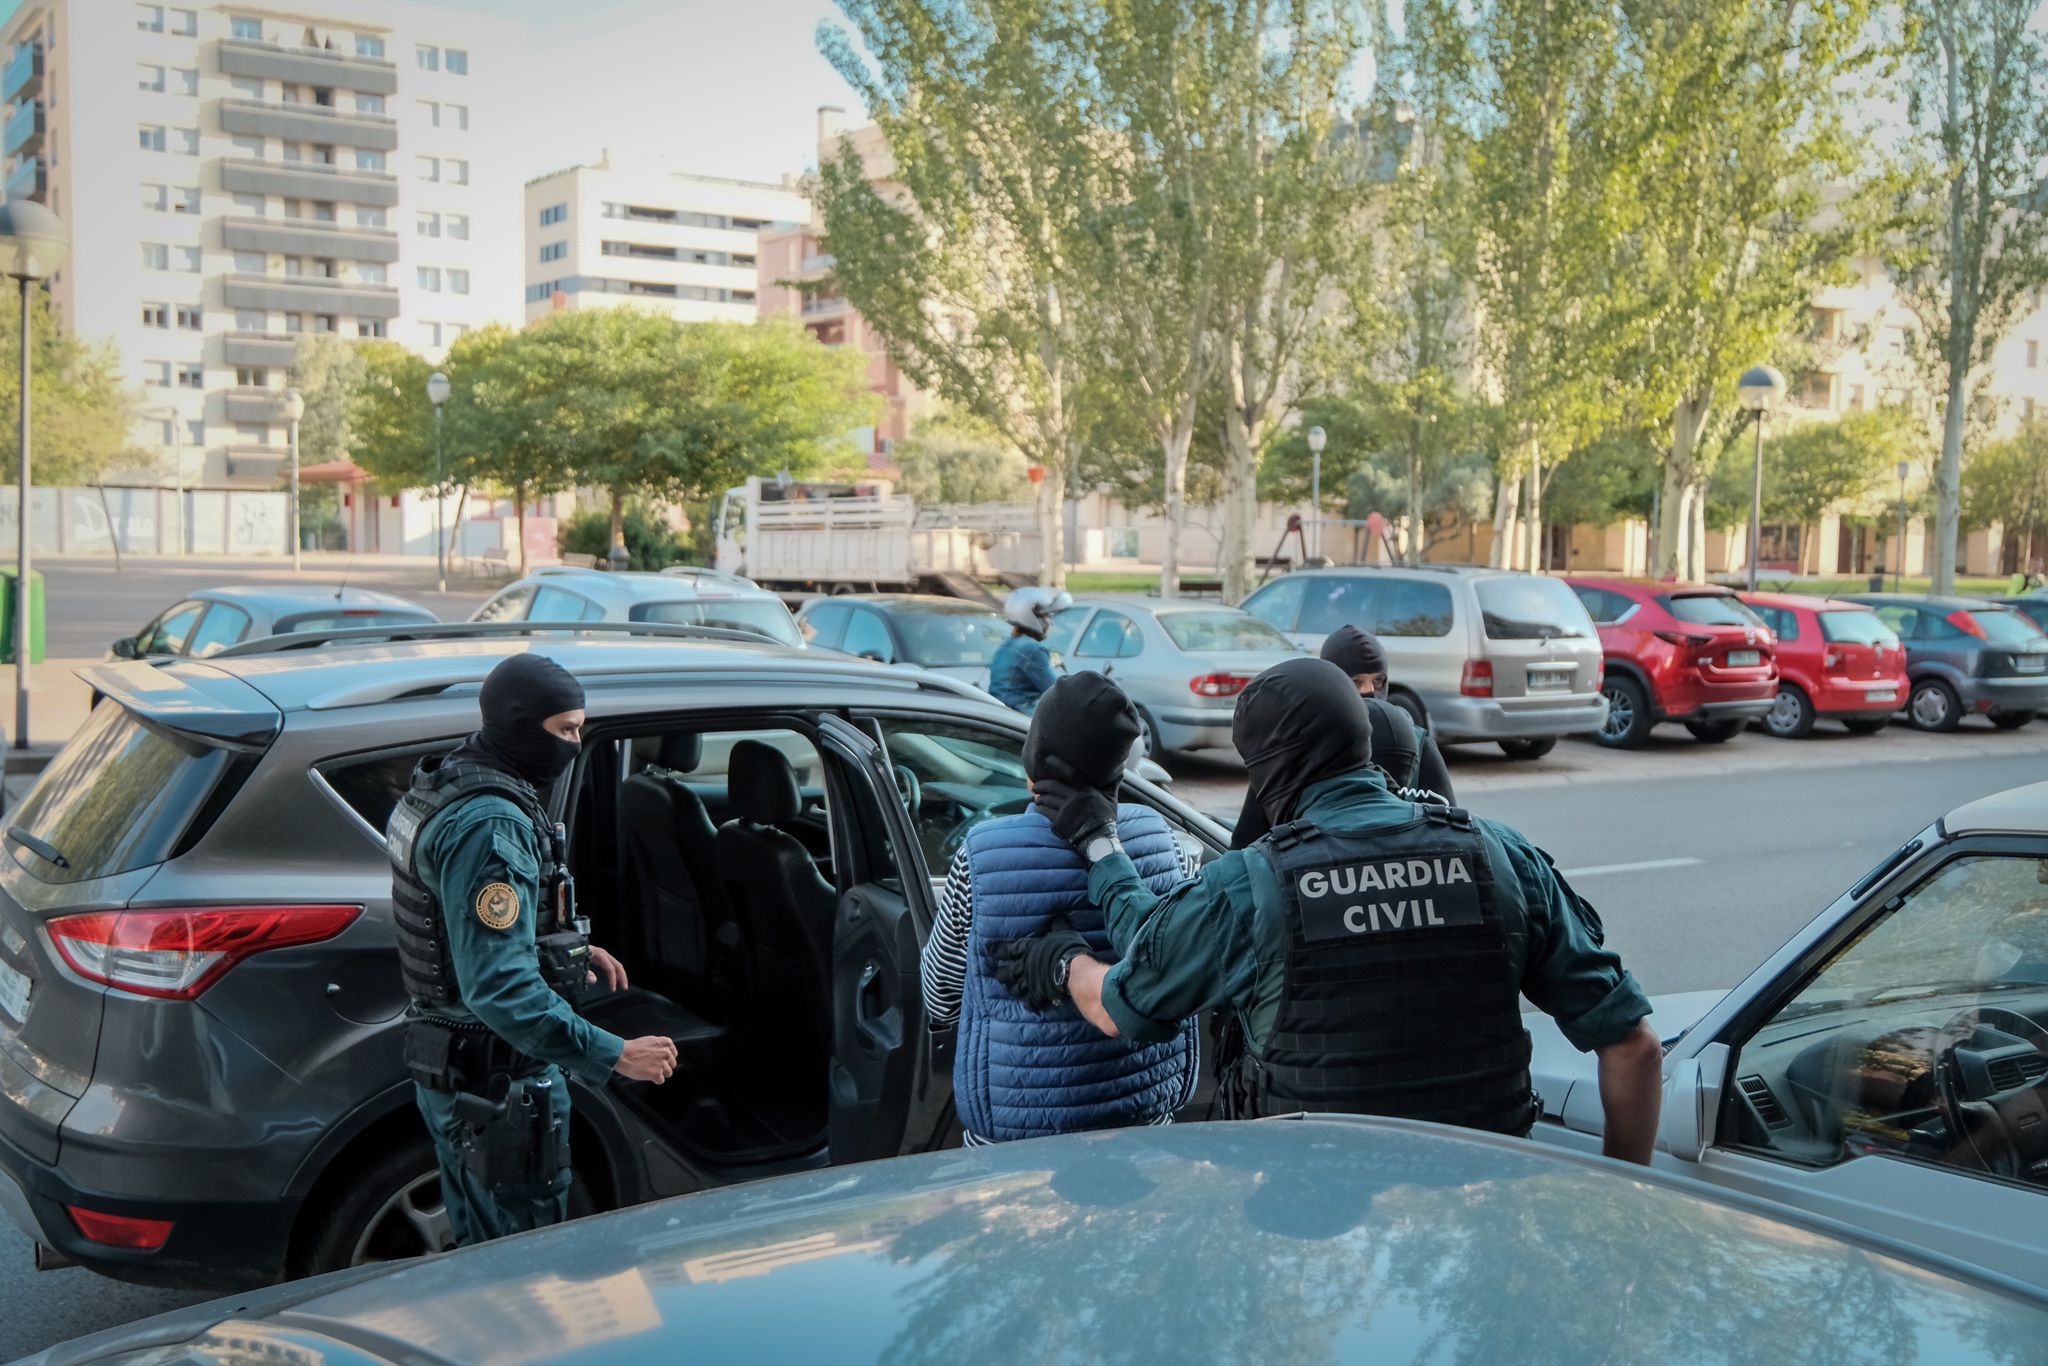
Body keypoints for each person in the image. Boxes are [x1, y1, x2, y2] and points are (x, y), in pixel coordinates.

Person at [998, 656, 1664, 1164]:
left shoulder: (1253, 883)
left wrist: (1071, 952)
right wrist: (1623, 1202)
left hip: (1314, 1214)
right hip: (1477, 1224)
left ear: (1271, 769)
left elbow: (1127, 998)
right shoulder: (1501, 856)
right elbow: (1633, 1046)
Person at [387, 653, 678, 1246]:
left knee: (476, 1256)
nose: (577, 742)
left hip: (462, 1074)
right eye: (566, 729)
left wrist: (563, 948)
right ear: (520, 724)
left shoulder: (451, 778)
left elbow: (458, 923)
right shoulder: (491, 825)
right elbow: (499, 987)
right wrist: (614, 1053)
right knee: (519, 1273)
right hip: (499, 1087)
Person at [920, 673, 1199, 1143]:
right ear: (1119, 768)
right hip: (1146, 1116)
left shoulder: (984, 851)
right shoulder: (1162, 838)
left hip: (1014, 1134)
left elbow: (940, 996)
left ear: (1033, 763)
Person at [987, 586, 1071, 714]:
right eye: (1047, 616)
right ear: (1033, 617)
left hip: (1001, 713)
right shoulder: (1032, 650)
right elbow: (1055, 690)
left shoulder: (1008, 644)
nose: (1050, 622)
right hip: (1020, 717)